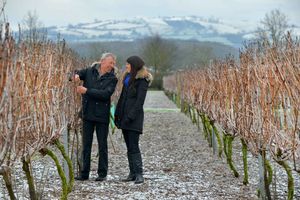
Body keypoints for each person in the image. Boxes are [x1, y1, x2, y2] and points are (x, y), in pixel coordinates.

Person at [73, 52, 118, 181]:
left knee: (102, 145)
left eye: (113, 63)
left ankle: (102, 174)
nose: (112, 65)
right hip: (87, 114)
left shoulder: (112, 79)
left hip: (101, 116)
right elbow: (75, 74)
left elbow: (105, 94)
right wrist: (75, 76)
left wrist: (87, 91)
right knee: (86, 145)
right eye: (111, 62)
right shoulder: (89, 71)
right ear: (102, 61)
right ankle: (84, 173)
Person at [114, 56, 153, 184]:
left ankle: (139, 173)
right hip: (124, 118)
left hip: (134, 119)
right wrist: (117, 114)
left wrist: (130, 117)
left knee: (134, 146)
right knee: (129, 147)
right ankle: (132, 173)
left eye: (128, 64)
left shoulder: (142, 80)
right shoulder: (127, 78)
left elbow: (139, 102)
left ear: (134, 65)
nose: (126, 66)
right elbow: (122, 98)